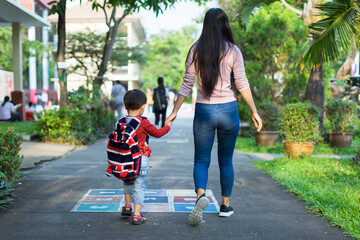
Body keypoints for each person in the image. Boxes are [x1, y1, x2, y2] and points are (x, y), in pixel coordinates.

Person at [165, 8, 262, 225]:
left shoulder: (196, 50)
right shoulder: (233, 51)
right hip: (228, 109)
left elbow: (187, 83)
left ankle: (201, 196)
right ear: (225, 25)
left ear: (206, 26)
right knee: (226, 160)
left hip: (204, 111)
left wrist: (174, 111)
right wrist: (254, 111)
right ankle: (225, 206)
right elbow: (242, 83)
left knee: (201, 160)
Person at [121, 89, 172, 225]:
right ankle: (136, 215)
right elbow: (157, 133)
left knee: (127, 182)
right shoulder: (143, 122)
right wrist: (167, 126)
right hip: (141, 159)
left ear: (125, 106)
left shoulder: (120, 122)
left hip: (125, 160)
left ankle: (127, 206)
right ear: (143, 106)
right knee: (139, 186)